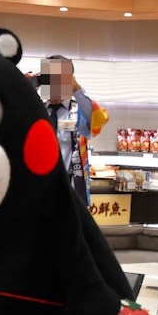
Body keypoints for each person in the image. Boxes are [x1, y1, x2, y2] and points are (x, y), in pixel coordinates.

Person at [35, 54, 108, 206]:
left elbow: (97, 120)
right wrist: (26, 88)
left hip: (69, 183)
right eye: (48, 79)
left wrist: (77, 89)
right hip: (40, 182)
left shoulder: (78, 110)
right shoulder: (37, 109)